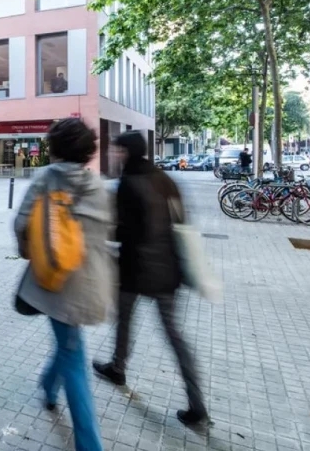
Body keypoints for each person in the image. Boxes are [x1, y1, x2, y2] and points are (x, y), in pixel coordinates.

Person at [92, 131, 207, 427]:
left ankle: (118, 367)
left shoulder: (127, 184)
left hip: (135, 269)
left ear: (126, 152)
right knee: (174, 335)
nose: (113, 155)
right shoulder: (165, 179)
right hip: (168, 269)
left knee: (125, 320)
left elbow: (121, 231)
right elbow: (181, 221)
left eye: (116, 150)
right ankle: (197, 404)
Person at [14, 118, 116, 451]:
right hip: (90, 282)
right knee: (70, 346)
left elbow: (21, 224)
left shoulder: (45, 178)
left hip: (56, 284)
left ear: (55, 148)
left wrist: (29, 250)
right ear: (88, 151)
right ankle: (48, 387)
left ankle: (89, 444)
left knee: (72, 354)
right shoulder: (98, 185)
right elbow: (109, 232)